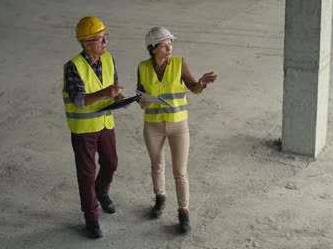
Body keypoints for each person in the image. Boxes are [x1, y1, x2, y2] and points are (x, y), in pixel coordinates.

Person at [136, 27, 217, 234]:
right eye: (164, 45)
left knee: (180, 172)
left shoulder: (180, 63)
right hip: (153, 125)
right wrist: (141, 102)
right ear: (153, 48)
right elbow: (140, 94)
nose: (169, 47)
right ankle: (160, 198)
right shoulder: (143, 67)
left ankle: (183, 212)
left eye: (170, 43)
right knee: (157, 165)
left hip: (178, 125)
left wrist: (202, 82)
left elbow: (194, 88)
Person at [62, 16, 124, 239]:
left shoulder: (108, 60)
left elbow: (113, 89)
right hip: (84, 129)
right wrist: (105, 93)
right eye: (99, 38)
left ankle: (102, 191)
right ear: (85, 43)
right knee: (86, 174)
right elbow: (79, 99)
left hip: (106, 124)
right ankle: (91, 217)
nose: (105, 41)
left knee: (111, 162)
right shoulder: (73, 67)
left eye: (105, 36)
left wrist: (125, 98)